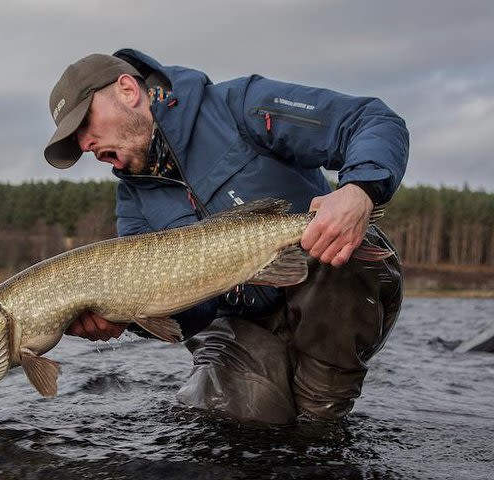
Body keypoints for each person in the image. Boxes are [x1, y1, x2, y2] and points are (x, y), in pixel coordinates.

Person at [43, 49, 408, 424]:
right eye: (76, 142)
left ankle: (321, 425)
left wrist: (360, 190)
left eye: (85, 123)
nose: (85, 145)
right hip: (242, 325)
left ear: (127, 90)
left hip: (331, 281)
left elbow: (373, 121)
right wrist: (123, 318)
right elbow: (190, 317)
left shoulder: (239, 106)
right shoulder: (133, 206)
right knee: (235, 421)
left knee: (313, 420)